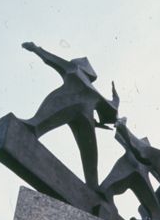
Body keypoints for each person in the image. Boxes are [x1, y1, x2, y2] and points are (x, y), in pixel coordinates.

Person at [18, 42, 119, 189]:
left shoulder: (76, 71)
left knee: (90, 156)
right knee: (39, 122)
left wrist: (115, 99)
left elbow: (112, 107)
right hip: (69, 106)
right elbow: (51, 59)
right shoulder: (76, 72)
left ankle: (93, 186)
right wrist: (36, 49)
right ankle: (32, 127)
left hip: (81, 115)